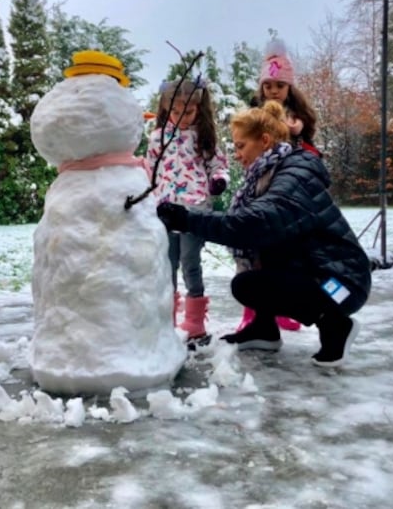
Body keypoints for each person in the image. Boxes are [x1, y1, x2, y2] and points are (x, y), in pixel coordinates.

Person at [156, 100, 371, 367]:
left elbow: (255, 223)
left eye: (240, 145)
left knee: (252, 277)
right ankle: (264, 329)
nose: (236, 154)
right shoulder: (264, 176)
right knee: (252, 277)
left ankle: (336, 324)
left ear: (265, 141)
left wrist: (186, 219)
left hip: (342, 283)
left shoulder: (294, 176)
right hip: (315, 269)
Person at [236, 38, 321, 334]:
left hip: (288, 192)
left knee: (284, 254)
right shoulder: (254, 117)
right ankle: (252, 313)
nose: (273, 90)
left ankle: (283, 307)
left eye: (280, 85)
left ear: (289, 88)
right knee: (253, 251)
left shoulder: (297, 119)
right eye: (268, 85)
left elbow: (307, 147)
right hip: (259, 188)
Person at [147, 78, 229, 343]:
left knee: (190, 262)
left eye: (189, 111)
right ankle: (165, 317)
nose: (182, 117)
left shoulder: (204, 136)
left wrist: (218, 181)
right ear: (165, 109)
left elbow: (218, 165)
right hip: (164, 210)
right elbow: (150, 169)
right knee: (166, 264)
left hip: (194, 210)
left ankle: (194, 321)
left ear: (198, 108)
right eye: (175, 111)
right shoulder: (157, 137)